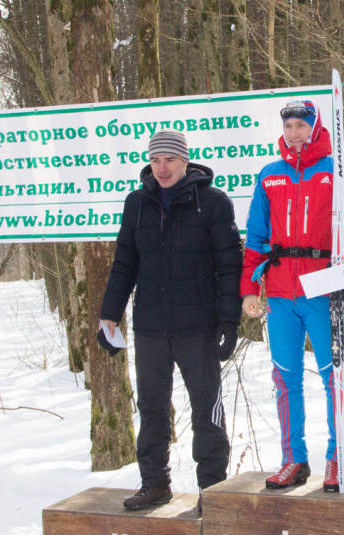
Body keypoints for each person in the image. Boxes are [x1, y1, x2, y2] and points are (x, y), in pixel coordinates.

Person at [99, 130, 242, 511]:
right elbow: (124, 262)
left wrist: (230, 321)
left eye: (170, 160)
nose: (162, 168)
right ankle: (154, 483)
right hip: (150, 326)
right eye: (155, 160)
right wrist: (110, 314)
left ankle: (212, 493)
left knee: (206, 410)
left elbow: (230, 266)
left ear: (185, 160)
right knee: (152, 408)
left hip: (198, 326)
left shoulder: (212, 203)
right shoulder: (137, 203)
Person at [240, 99, 344, 493]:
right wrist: (250, 288)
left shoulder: (339, 172)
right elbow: (256, 238)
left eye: (302, 125)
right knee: (285, 378)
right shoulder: (270, 176)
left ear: (315, 129)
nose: (294, 133)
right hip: (281, 293)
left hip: (323, 290)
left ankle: (337, 458)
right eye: (289, 126)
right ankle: (293, 458)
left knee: (335, 378)